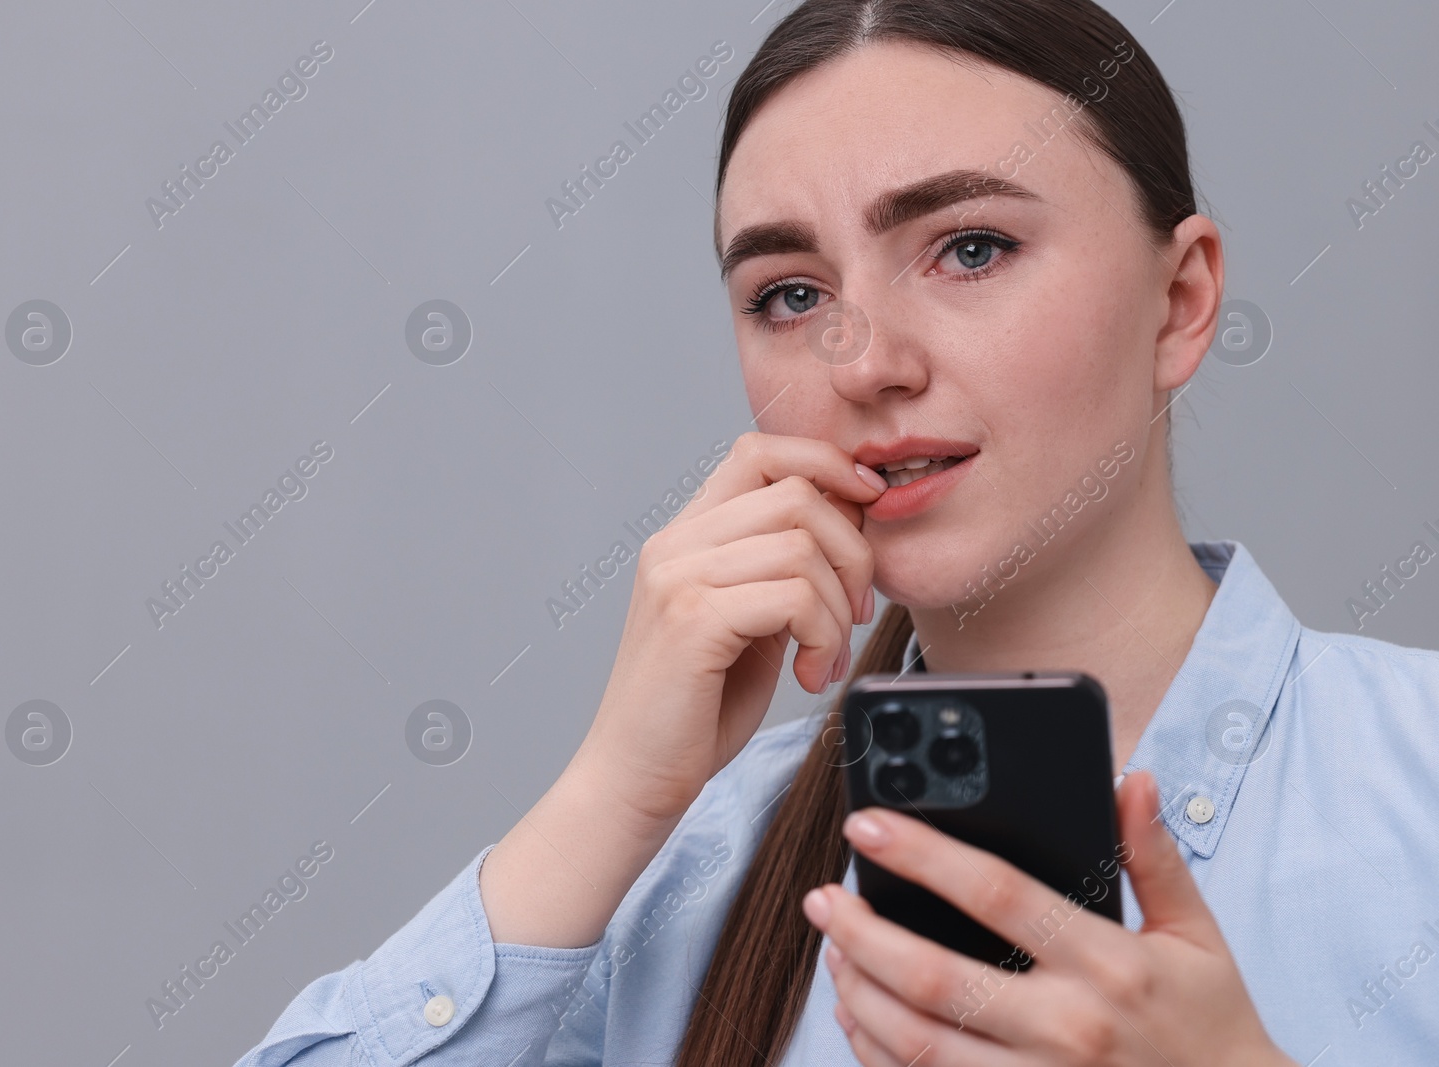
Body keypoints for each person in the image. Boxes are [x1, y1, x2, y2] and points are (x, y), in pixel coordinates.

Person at [235, 1, 1439, 1064]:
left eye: (971, 248)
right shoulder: (686, 872)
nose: (865, 362)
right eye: (790, 295)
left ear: (1179, 302)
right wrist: (609, 795)